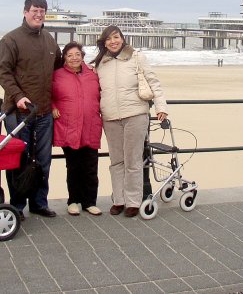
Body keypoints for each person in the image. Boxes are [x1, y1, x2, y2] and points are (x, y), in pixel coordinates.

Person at [0, 0, 63, 219]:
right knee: (18, 160)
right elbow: (3, 72)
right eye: (34, 10)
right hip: (18, 112)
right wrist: (17, 96)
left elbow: (61, 68)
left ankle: (38, 203)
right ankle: (16, 206)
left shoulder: (50, 40)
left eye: (42, 11)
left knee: (43, 160)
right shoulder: (10, 40)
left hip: (44, 113)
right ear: (25, 12)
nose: (38, 14)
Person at [92, 25, 168, 217]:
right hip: (109, 118)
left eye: (116, 37)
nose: (113, 41)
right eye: (108, 39)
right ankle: (119, 199)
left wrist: (161, 108)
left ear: (122, 38)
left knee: (133, 160)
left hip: (135, 115)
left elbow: (154, 83)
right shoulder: (102, 62)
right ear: (104, 42)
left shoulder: (136, 57)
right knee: (116, 161)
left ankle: (133, 201)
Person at [51, 41, 103, 216]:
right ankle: (73, 201)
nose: (74, 58)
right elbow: (47, 94)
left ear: (82, 57)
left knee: (90, 166)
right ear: (64, 58)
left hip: (90, 126)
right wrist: (52, 107)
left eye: (77, 55)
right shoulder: (57, 75)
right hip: (69, 127)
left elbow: (105, 93)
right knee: (73, 166)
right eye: (70, 55)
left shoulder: (93, 74)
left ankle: (90, 202)